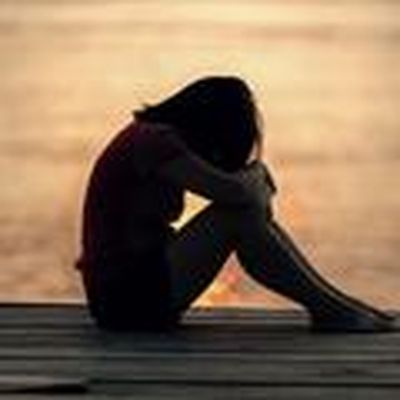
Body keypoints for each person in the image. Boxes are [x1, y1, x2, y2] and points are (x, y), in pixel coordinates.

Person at [76, 76, 394, 332]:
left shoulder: (150, 137)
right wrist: (256, 175)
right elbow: (234, 192)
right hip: (124, 300)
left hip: (134, 291)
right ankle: (332, 309)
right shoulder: (153, 141)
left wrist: (252, 185)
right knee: (237, 216)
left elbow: (241, 193)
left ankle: (337, 304)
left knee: (245, 213)